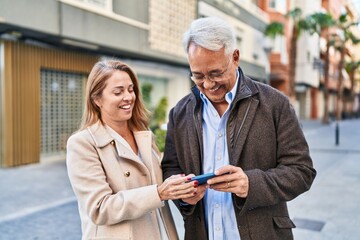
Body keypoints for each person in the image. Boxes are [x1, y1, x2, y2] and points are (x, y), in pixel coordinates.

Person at [161, 17, 317, 240]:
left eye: (215, 73)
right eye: (198, 76)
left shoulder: (275, 103)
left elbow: (302, 171)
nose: (207, 84)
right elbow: (171, 168)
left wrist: (250, 184)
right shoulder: (180, 112)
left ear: (235, 57)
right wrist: (184, 195)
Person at [66, 59, 197, 240]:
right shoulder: (83, 143)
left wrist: (183, 191)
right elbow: (100, 208)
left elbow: (160, 186)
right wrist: (159, 193)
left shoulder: (144, 135)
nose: (128, 97)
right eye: (118, 92)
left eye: (130, 89)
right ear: (97, 99)